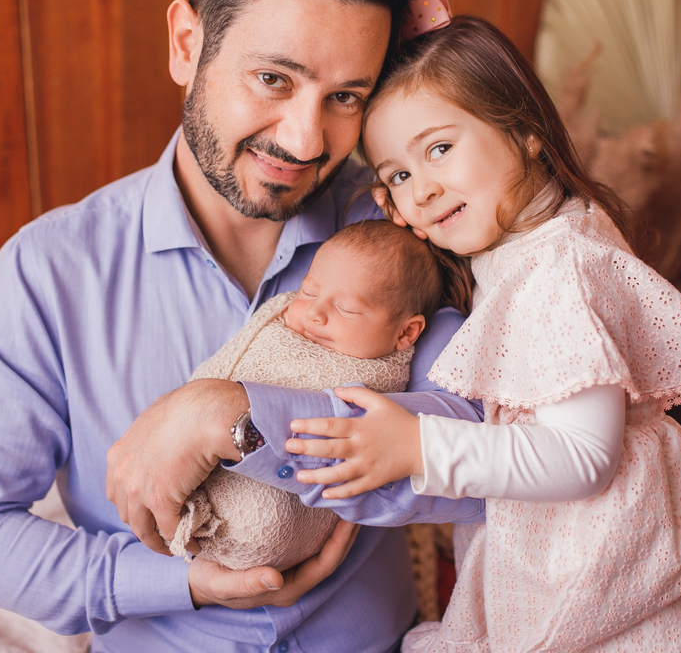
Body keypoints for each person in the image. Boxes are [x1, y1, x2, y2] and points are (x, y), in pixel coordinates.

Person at [0, 0, 484, 653]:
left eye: (345, 95)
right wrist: (173, 584)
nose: (308, 140)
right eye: (274, 79)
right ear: (187, 45)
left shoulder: (407, 229)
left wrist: (234, 416)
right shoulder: (47, 275)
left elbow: (491, 457)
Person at [287, 15, 681, 652]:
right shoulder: (530, 236)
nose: (424, 190)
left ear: (525, 130)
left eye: (440, 149)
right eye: (398, 175)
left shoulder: (559, 270)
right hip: (566, 548)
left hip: (603, 564)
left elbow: (584, 458)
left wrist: (421, 445)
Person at [172, 219, 471, 572]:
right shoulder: (285, 317)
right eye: (308, 292)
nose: (314, 312)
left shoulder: (391, 371)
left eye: (345, 309)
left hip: (295, 539)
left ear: (406, 333)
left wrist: (227, 417)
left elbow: (465, 446)